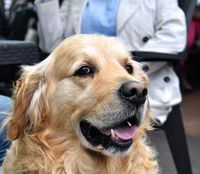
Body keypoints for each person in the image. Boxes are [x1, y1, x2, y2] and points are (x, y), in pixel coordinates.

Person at [35, 0, 187, 125]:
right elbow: (53, 46)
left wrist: (130, 69)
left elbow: (174, 36)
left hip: (145, 81)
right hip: (82, 90)